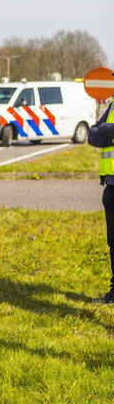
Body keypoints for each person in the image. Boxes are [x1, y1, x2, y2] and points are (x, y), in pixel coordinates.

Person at [89, 98, 114, 303]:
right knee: (113, 241)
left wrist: (106, 129)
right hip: (111, 184)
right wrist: (108, 130)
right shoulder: (113, 105)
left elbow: (103, 129)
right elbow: (93, 134)